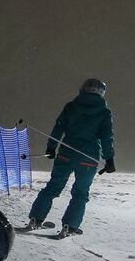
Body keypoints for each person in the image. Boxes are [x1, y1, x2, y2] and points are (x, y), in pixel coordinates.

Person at [27, 79, 115, 237]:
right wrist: (109, 159)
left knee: (53, 187)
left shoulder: (71, 107)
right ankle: (70, 226)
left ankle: (36, 218)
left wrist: (51, 147)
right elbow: (106, 137)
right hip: (88, 158)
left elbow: (58, 127)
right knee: (80, 193)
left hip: (66, 155)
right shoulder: (104, 112)